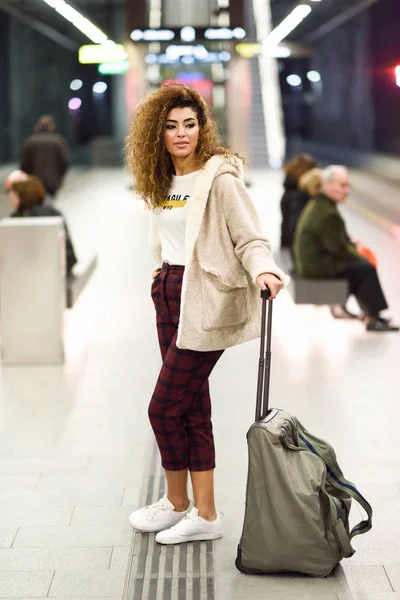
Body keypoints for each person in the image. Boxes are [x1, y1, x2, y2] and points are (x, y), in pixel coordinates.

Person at [125, 84, 289, 545]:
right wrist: (159, 274)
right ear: (158, 132)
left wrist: (265, 270)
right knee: (193, 407)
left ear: (202, 128)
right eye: (172, 126)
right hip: (169, 292)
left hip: (205, 300)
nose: (182, 134)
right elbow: (166, 236)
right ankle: (201, 512)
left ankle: (183, 505)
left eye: (190, 125)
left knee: (163, 407)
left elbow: (249, 237)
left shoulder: (219, 179)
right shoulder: (160, 180)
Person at [293, 165, 398, 332]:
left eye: (348, 186)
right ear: (327, 185)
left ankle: (371, 314)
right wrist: (359, 255)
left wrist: (350, 244)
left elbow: (334, 239)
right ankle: (373, 317)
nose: (347, 190)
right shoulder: (328, 213)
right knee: (365, 267)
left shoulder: (321, 204)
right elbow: (340, 250)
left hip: (313, 262)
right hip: (317, 267)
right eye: (342, 186)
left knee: (360, 266)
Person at [10, 175, 77, 274]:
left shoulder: (19, 218)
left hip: (34, 272)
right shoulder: (52, 210)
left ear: (21, 195)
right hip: (60, 268)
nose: (11, 197)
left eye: (13, 193)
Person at [21, 115, 70, 198]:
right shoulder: (58, 141)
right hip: (52, 182)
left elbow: (24, 164)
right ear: (51, 126)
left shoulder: (30, 142)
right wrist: (58, 178)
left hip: (34, 183)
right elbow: (65, 162)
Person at [280, 153, 317, 250]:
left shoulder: (289, 188)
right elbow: (295, 225)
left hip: (287, 243)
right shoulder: (300, 195)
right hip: (295, 247)